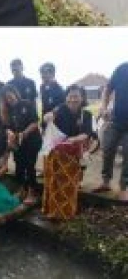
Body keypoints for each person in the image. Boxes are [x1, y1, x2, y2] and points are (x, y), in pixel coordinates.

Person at [42, 85, 95, 219]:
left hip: (73, 156)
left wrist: (73, 139)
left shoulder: (87, 115)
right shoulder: (59, 109)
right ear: (66, 98)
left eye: (76, 96)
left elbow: (87, 133)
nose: (73, 99)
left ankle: (67, 213)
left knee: (70, 186)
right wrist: (47, 117)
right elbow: (48, 117)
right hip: (56, 155)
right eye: (70, 96)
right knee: (54, 183)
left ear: (82, 98)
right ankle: (51, 211)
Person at [1, 84, 42, 205]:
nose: (9, 100)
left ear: (15, 93)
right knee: (19, 167)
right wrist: (10, 134)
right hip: (18, 143)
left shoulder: (26, 104)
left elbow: (35, 123)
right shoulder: (7, 110)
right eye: (6, 99)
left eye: (10, 96)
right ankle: (22, 190)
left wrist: (24, 133)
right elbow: (7, 127)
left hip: (32, 141)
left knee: (29, 166)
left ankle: (32, 192)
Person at [94, 61, 128, 200]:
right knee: (107, 148)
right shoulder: (122, 68)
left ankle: (124, 187)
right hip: (115, 119)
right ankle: (105, 181)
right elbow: (108, 89)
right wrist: (103, 106)